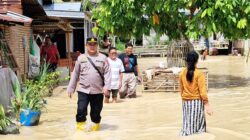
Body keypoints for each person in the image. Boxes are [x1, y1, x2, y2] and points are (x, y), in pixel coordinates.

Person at [67, 37, 111, 131]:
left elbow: (107, 73)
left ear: (97, 45)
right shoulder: (81, 58)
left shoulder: (103, 58)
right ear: (86, 46)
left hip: (98, 91)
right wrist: (71, 88)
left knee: (96, 113)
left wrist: (107, 87)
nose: (92, 46)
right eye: (90, 44)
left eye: (94, 44)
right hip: (83, 90)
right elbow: (75, 74)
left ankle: (95, 130)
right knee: (81, 110)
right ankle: (81, 131)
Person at [179, 51, 213, 136]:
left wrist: (184, 99)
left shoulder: (182, 73)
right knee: (198, 129)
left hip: (186, 103)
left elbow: (181, 90)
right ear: (196, 61)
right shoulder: (199, 74)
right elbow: (203, 92)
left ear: (186, 61)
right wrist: (207, 105)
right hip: (196, 103)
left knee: (187, 126)